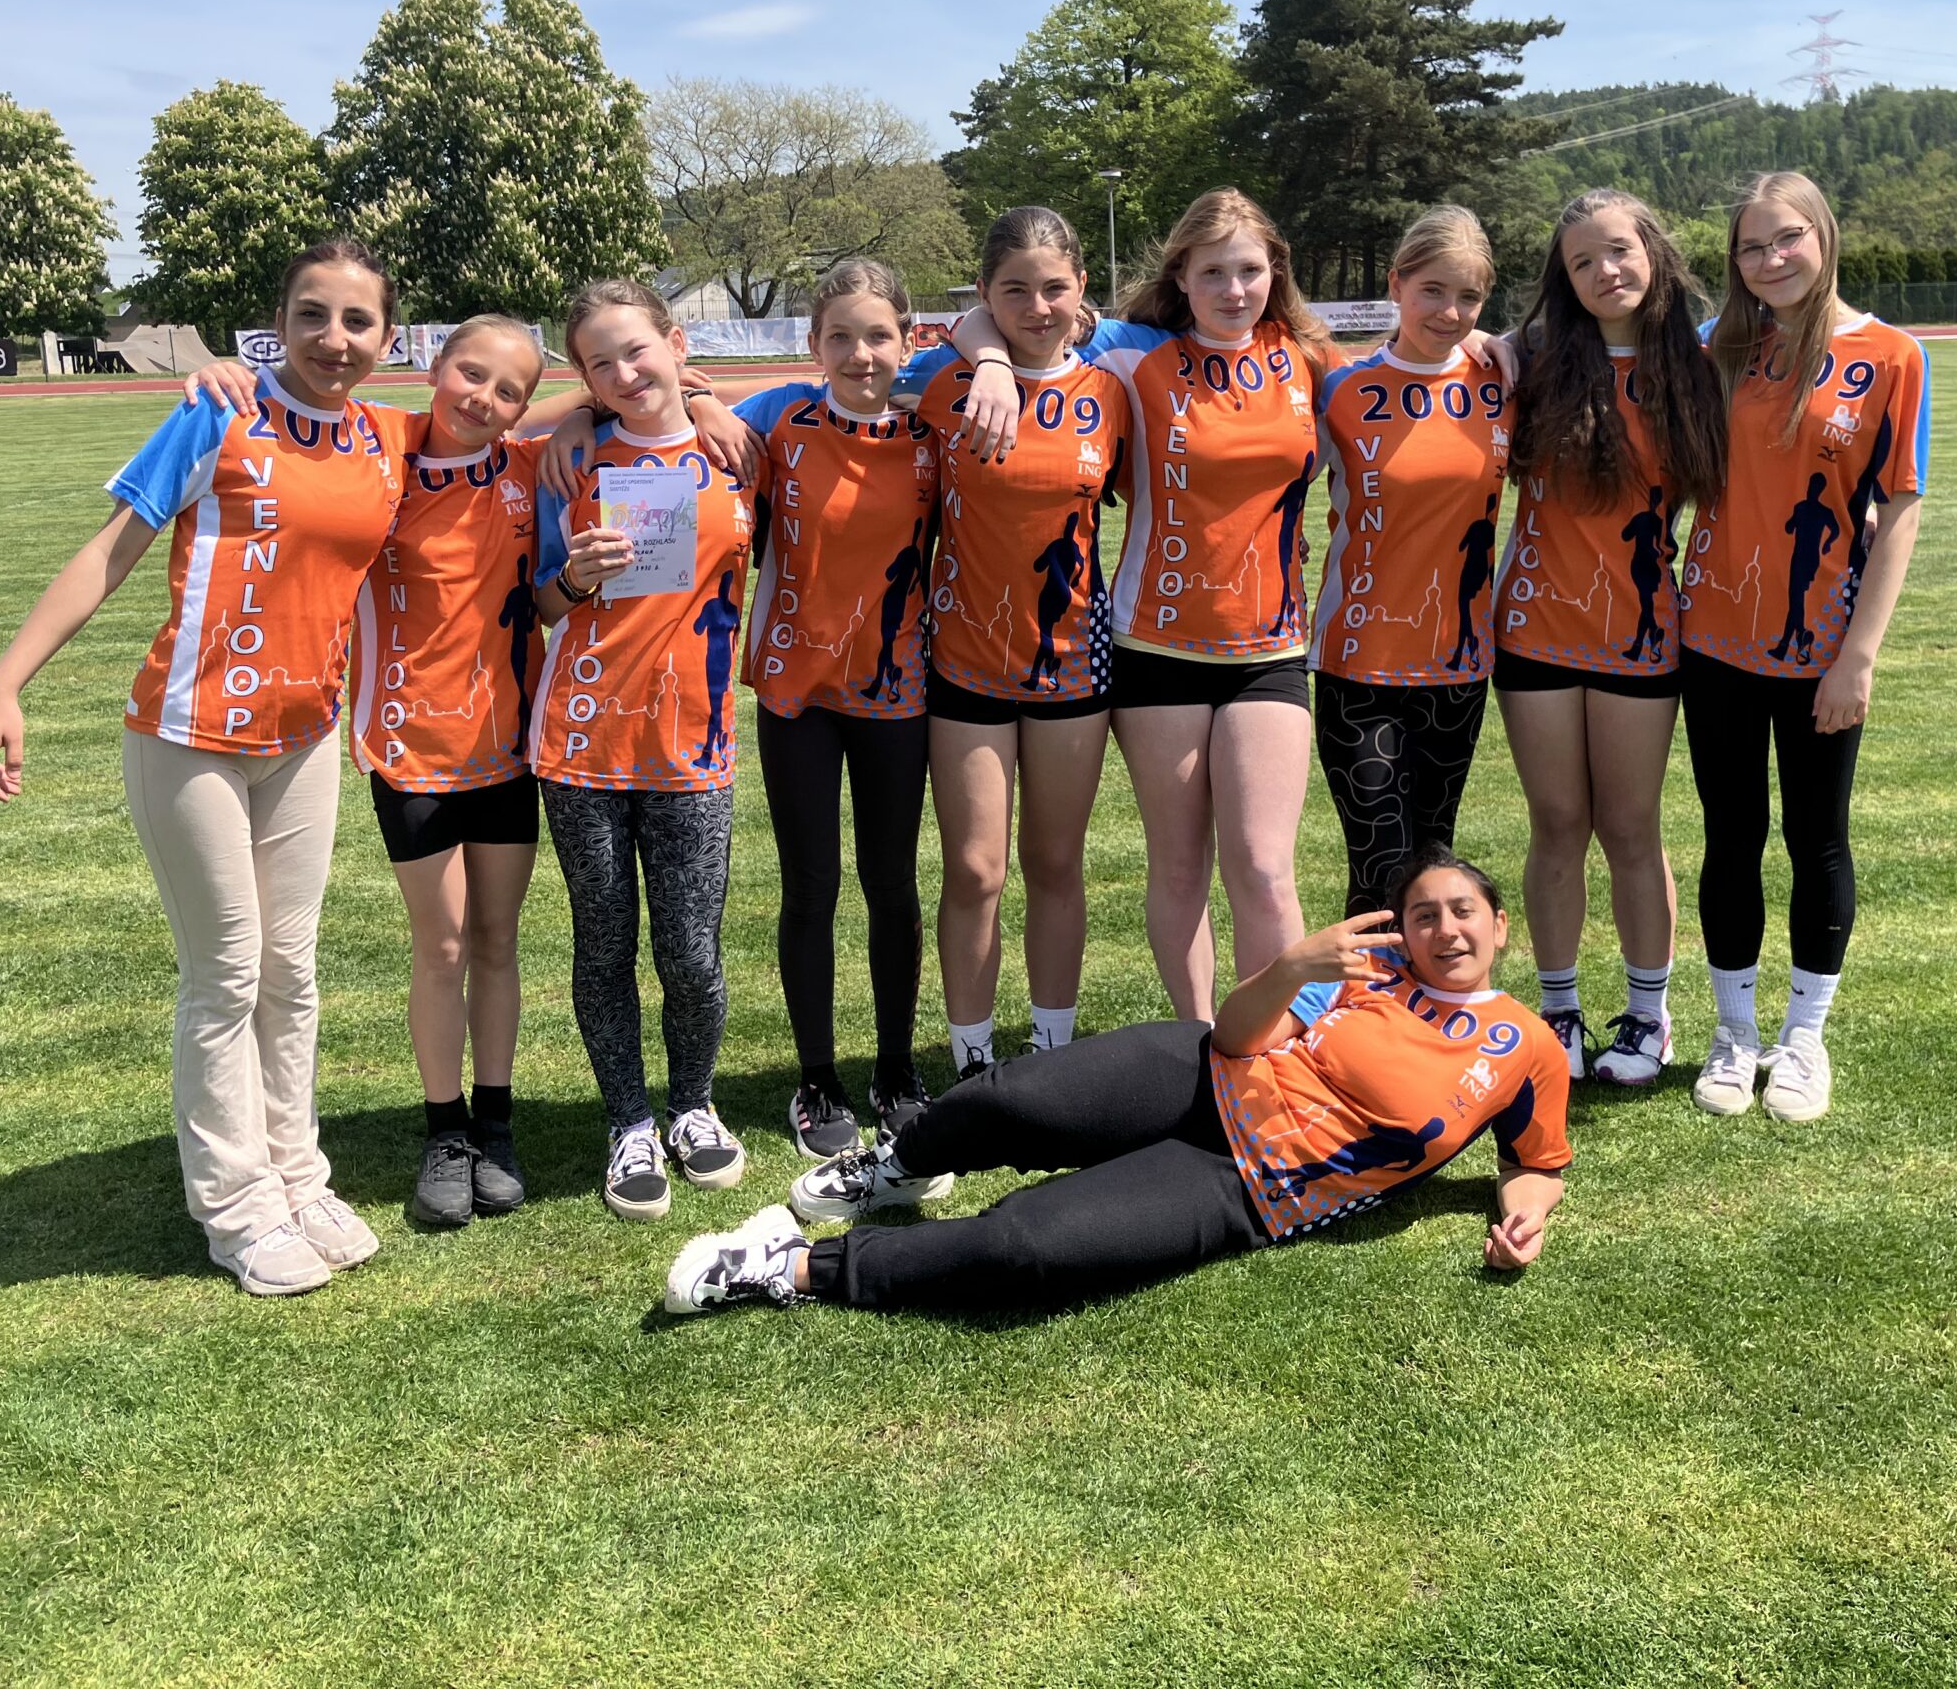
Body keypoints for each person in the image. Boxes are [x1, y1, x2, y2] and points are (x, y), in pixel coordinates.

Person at [0, 240, 420, 1296]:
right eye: (312, 316)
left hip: (304, 738)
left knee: (291, 971)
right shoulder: (218, 412)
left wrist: (666, 397)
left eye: (357, 321)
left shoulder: (389, 435)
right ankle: (236, 1207)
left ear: (388, 338)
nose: (334, 339)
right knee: (227, 972)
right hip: (188, 734)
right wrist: (5, 682)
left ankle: (296, 1175)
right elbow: (110, 551)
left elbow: (514, 416)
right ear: (278, 325)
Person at [661, 842, 1571, 1317]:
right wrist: (1294, 966)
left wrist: (1524, 1218)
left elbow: (1536, 1163)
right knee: (1010, 1097)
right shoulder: (1361, 968)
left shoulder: (1524, 1048)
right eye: (1422, 915)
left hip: (1250, 1186)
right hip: (1203, 1074)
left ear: (1500, 925)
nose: (1443, 930)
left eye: (1462, 912)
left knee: (1026, 1247)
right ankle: (894, 1170)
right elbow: (1236, 1037)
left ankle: (787, 1266)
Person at [933, 190, 1337, 1022]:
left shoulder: (1312, 357)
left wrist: (1487, 345)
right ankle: (1201, 1045)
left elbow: (1428, 356)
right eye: (1213, 271)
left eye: (1250, 270)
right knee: (1179, 867)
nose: (1233, 289)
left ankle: (1277, 1048)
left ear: (1276, 272)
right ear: (1180, 275)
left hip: (1269, 650)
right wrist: (994, 363)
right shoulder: (1128, 351)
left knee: (1265, 867)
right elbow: (995, 319)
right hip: (1153, 650)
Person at [1680, 172, 1929, 1122]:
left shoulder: (1890, 355)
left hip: (1822, 644)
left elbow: (1900, 509)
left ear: (1822, 236)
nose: (1770, 258)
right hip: (1713, 637)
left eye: (1786, 238)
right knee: (1731, 834)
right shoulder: (1718, 347)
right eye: (1751, 246)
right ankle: (1734, 1032)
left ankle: (1804, 1037)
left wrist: (1858, 657)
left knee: (1817, 837)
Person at [531, 278, 758, 1217]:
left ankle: (693, 1105)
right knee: (604, 948)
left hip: (693, 746)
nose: (625, 373)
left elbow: (868, 382)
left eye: (637, 350)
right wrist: (575, 578)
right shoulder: (570, 463)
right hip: (582, 745)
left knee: (692, 955)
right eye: (600, 365)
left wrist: (707, 401)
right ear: (583, 379)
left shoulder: (743, 446)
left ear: (675, 343)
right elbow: (540, 602)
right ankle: (628, 1121)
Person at [1493, 190, 1728, 1088]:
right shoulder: (1531, 360)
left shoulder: (1701, 366)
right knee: (1557, 824)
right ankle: (1558, 1010)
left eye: (1619, 251)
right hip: (1535, 634)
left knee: (1631, 827)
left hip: (1641, 634)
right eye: (1583, 262)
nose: (1605, 272)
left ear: (1653, 252)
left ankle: (1647, 1015)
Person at [900, 206, 1123, 1078]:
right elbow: (832, 384)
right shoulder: (938, 382)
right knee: (975, 870)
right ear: (984, 294)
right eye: (1015, 290)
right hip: (964, 664)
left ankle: (1052, 1055)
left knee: (1056, 862)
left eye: (1055, 287)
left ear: (1081, 289)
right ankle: (972, 1061)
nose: (1038, 307)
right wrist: (986, 357)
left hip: (1073, 667)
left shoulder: (1113, 389)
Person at [728, 259, 940, 1156]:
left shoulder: (934, 429)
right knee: (810, 885)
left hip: (897, 690)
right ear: (813, 345)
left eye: (878, 336)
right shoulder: (779, 421)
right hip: (797, 692)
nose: (861, 354)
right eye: (841, 337)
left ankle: (896, 1067)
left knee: (892, 882)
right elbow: (658, 409)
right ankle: (816, 1080)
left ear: (908, 341)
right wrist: (702, 404)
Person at [1311, 205, 1515, 919]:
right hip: (1358, 667)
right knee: (1380, 870)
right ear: (1396, 284)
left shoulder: (1503, 384)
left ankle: (1426, 994)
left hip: (1459, 669)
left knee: (1433, 867)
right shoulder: (1340, 388)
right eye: (1432, 290)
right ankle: (1364, 995)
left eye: (1468, 297)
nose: (1449, 312)